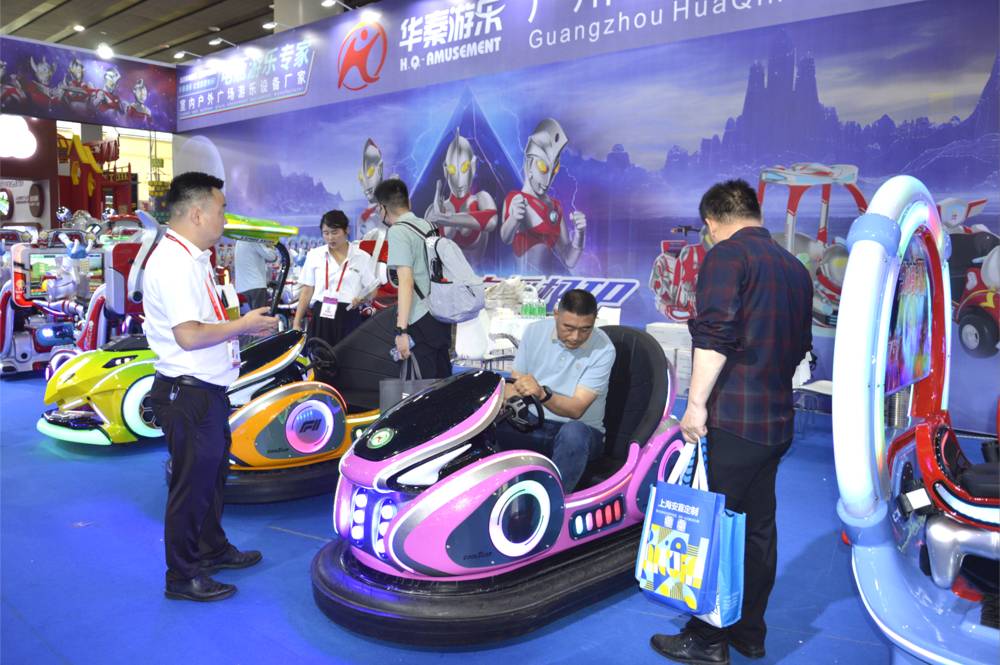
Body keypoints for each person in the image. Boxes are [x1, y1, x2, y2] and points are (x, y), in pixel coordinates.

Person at [650, 179, 812, 664]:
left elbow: (715, 335)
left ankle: (705, 639)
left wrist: (695, 404)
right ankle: (749, 632)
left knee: (712, 528)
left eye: (707, 230)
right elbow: (800, 347)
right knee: (759, 529)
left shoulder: (725, 257)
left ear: (713, 222)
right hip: (776, 421)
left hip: (732, 420)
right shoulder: (796, 269)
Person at [143, 172, 279, 602]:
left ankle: (211, 548)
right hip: (190, 392)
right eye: (220, 209)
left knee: (211, 479)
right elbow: (188, 335)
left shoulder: (193, 258)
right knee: (191, 488)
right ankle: (182, 576)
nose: (224, 217)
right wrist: (243, 326)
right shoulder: (176, 263)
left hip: (205, 390)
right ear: (198, 212)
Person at [497, 289, 615, 493]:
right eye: (568, 327)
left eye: (586, 329)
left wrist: (543, 394)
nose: (576, 336)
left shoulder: (604, 349)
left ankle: (552, 506)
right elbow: (513, 383)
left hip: (582, 433)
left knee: (574, 433)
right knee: (488, 425)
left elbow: (576, 409)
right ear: (556, 315)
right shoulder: (534, 332)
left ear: (595, 321)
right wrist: (510, 404)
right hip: (535, 423)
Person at [378, 178, 453, 379]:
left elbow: (406, 281)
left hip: (419, 320)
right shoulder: (429, 225)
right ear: (408, 203)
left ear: (382, 208)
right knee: (442, 382)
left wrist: (401, 330)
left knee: (420, 391)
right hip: (440, 316)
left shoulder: (398, 231)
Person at [292, 210, 377, 344]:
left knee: (348, 359)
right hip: (321, 316)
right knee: (320, 359)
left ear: (346, 230)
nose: (330, 237)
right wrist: (296, 323)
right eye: (326, 233)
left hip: (348, 315)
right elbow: (307, 291)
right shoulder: (315, 255)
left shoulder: (362, 257)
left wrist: (362, 299)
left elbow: (372, 289)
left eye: (335, 232)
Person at [234, 239, 278, 311]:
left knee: (249, 319)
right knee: (261, 318)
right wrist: (270, 245)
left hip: (241, 288)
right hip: (255, 286)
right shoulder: (253, 239)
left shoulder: (240, 241)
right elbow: (272, 257)